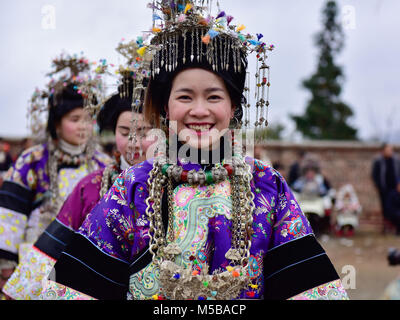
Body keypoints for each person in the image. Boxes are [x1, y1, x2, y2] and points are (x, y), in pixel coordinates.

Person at [41, 1, 348, 300]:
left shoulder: (266, 184)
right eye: (185, 97)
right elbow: (77, 289)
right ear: (165, 106)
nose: (199, 110)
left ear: (233, 107)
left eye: (214, 97)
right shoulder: (133, 187)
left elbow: (308, 288)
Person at [2, 74, 155, 300]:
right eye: (125, 132)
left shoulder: (178, 184)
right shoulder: (89, 184)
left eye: (144, 132)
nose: (134, 143)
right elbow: (14, 217)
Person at [0, 55, 111, 297]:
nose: (83, 126)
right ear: (57, 124)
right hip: (36, 259)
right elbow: (9, 217)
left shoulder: (104, 164)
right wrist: (5, 265)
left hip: (84, 262)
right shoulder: (32, 160)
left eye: (87, 119)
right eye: (74, 120)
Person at [372, 143, 400, 233]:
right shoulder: (378, 161)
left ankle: (397, 227)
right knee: (385, 209)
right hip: (384, 189)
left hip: (395, 189)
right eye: (388, 150)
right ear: (383, 151)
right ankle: (386, 227)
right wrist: (378, 185)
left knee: (395, 208)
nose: (390, 152)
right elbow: (374, 175)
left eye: (391, 150)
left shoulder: (396, 160)